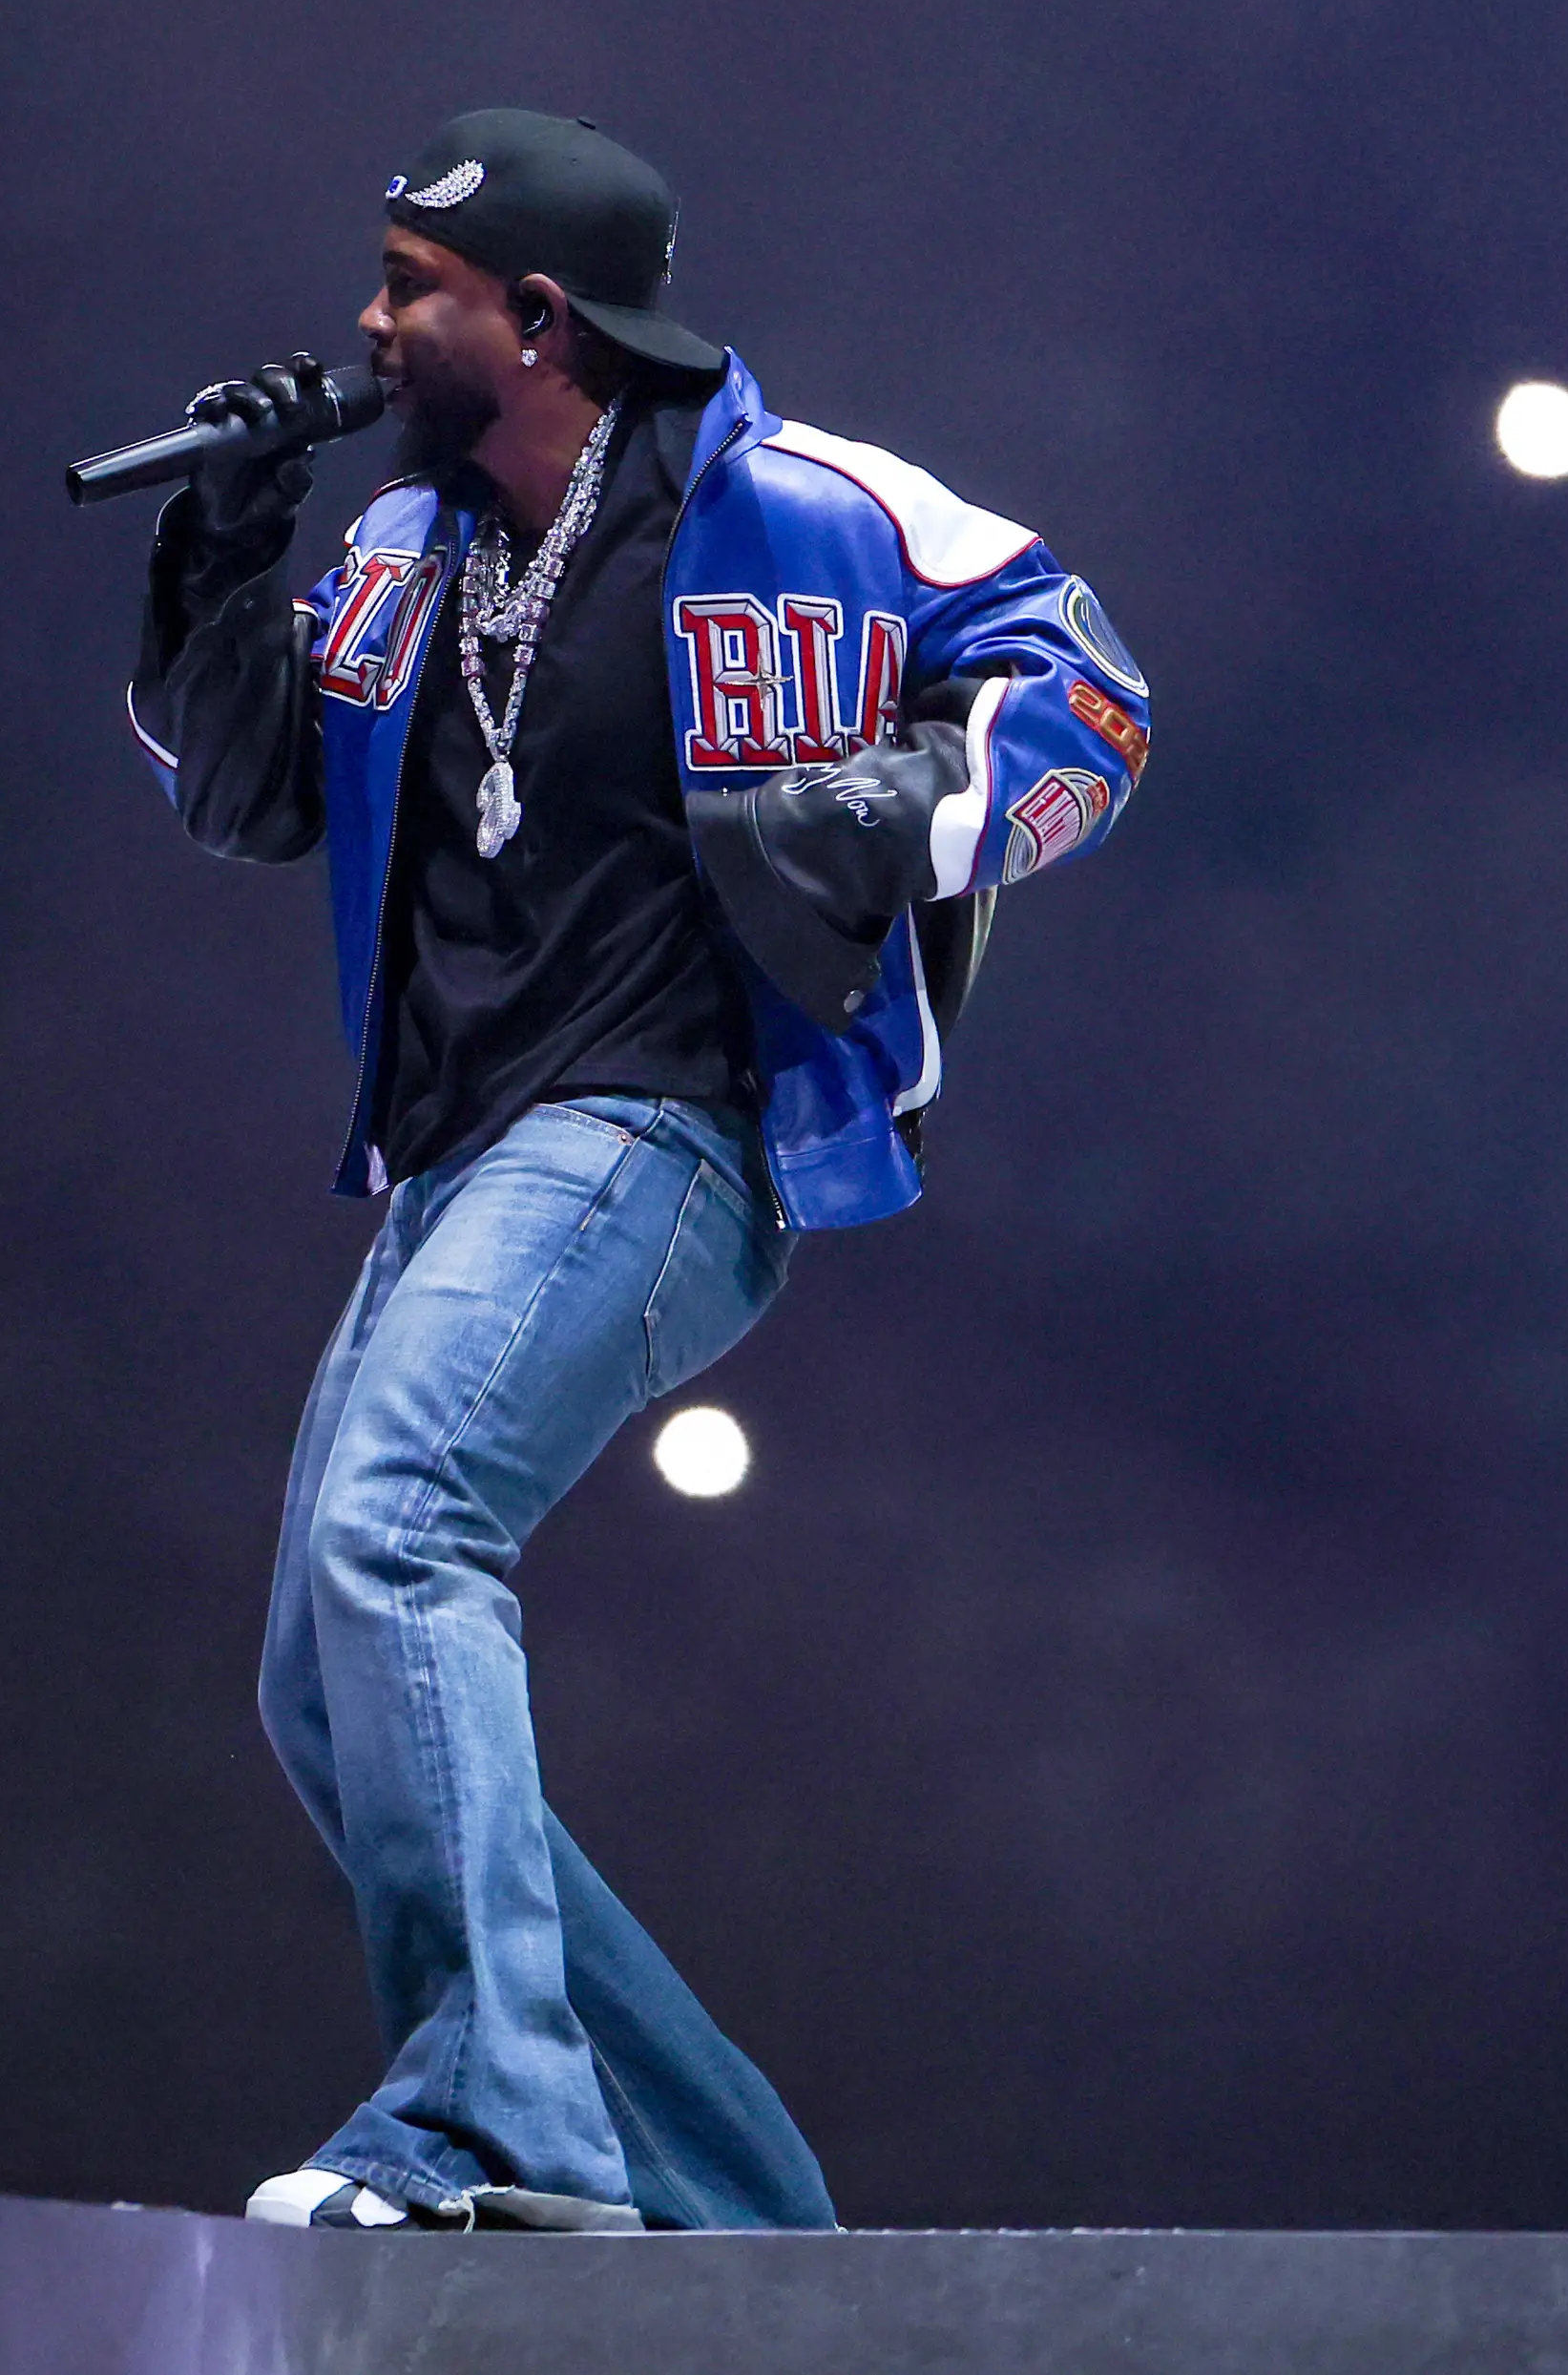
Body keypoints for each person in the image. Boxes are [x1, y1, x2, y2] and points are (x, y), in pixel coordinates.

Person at [123, 108, 1152, 2234]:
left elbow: (1097, 689)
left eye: (410, 283)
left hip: (674, 1130)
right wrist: (222, 540)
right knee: (325, 1674)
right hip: (460, 1160)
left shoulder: (796, 499)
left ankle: (494, 2122)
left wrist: (911, 807)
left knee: (398, 1521)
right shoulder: (412, 555)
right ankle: (743, 2216)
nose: (371, 317)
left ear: (538, 317)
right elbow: (244, 795)